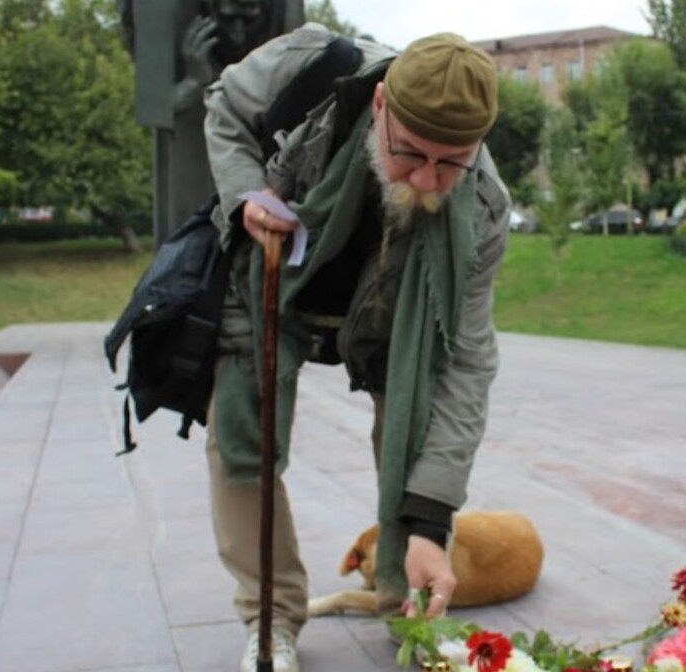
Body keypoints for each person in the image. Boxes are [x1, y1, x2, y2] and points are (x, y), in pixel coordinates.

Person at [202, 24, 510, 672]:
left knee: (414, 416)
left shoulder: (483, 207)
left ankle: (409, 608)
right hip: (276, 273)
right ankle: (270, 620)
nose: (427, 180)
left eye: (450, 161)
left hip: (392, 314)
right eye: (409, 153)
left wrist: (431, 522)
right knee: (240, 438)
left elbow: (467, 362)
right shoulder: (309, 64)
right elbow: (224, 106)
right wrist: (243, 195)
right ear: (379, 106)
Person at [116, 0, 302, 245]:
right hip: (189, 177)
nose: (237, 34)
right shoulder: (158, 11)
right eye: (228, 18)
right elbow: (155, 106)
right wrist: (193, 81)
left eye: (248, 20)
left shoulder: (285, 14)